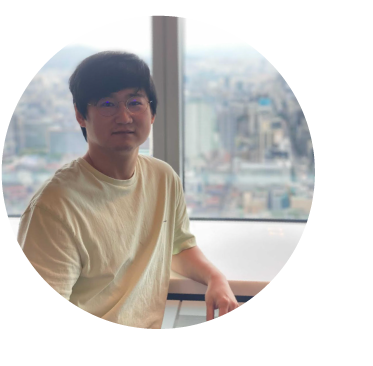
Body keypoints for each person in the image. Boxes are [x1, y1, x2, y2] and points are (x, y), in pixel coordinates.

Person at [17, 51, 239, 328]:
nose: (124, 117)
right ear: (80, 115)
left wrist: (215, 278)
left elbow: (178, 247)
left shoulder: (163, 178)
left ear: (152, 112)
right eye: (107, 104)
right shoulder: (54, 208)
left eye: (135, 102)